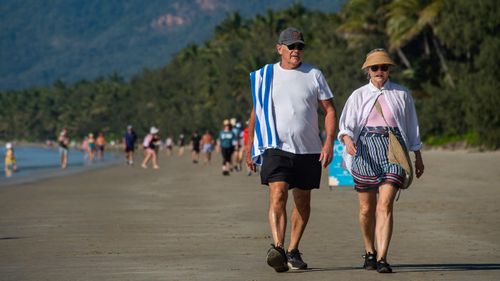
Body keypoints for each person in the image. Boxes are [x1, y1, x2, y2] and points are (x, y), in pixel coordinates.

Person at [245, 27, 336, 272]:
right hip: (276, 146)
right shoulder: (265, 76)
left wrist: (329, 142)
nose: (296, 51)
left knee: (303, 202)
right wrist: (248, 145)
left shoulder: (314, 74)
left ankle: (293, 250)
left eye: (299, 47)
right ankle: (278, 248)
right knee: (278, 194)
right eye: (291, 46)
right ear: (280, 48)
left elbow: (329, 110)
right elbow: (256, 112)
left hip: (308, 149)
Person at [338, 48, 425, 273]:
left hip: (393, 149)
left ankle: (383, 258)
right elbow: (346, 125)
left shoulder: (402, 94)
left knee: (385, 205)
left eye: (383, 67)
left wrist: (418, 156)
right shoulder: (358, 95)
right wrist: (347, 140)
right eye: (375, 68)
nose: (379, 71)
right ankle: (369, 251)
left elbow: (412, 127)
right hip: (364, 148)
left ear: (389, 71)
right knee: (367, 208)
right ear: (368, 71)